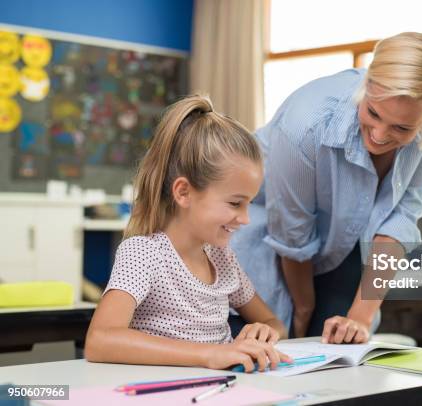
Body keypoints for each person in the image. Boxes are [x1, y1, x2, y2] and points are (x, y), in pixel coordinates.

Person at [230, 32, 422, 343]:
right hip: (269, 226)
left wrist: (360, 319)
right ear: (367, 86)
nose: (378, 135)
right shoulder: (306, 123)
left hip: (344, 235)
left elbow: (401, 217)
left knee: (341, 345)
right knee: (279, 340)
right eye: (373, 113)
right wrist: (303, 311)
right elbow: (292, 235)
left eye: (401, 128)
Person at [85, 95, 291, 373]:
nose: (244, 219)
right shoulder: (143, 253)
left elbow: (272, 322)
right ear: (183, 192)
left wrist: (264, 332)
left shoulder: (222, 258)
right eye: (234, 203)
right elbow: (100, 341)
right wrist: (210, 355)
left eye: (249, 204)